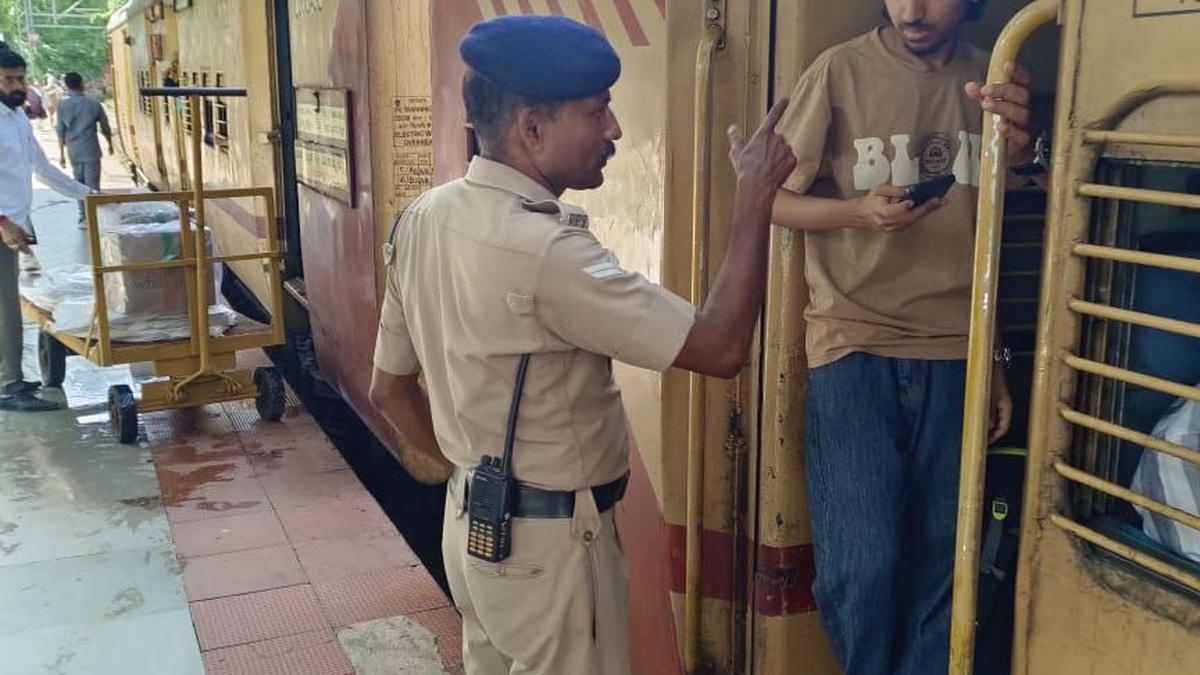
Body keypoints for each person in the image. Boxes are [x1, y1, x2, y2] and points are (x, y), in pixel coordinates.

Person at [368, 15, 796, 675]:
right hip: (554, 553)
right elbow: (719, 346)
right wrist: (755, 199)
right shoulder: (548, 254)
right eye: (597, 113)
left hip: (472, 528)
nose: (614, 131)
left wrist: (476, 476)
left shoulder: (424, 219)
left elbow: (389, 389)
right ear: (531, 128)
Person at [769, 1, 1042, 673]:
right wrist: (857, 210)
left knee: (945, 567)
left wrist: (996, 357)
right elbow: (769, 199)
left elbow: (993, 234)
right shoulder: (840, 70)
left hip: (959, 353)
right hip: (853, 345)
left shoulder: (996, 80)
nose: (912, 10)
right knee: (861, 565)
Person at [0, 47, 94, 411]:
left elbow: (43, 169)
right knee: (5, 307)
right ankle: (9, 388)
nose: (17, 86)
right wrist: (4, 223)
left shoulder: (17, 119)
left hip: (15, 225)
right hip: (4, 226)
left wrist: (91, 196)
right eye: (8, 80)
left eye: (21, 78)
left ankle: (12, 380)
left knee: (10, 303)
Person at [56, 72, 113, 223]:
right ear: (81, 84)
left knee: (78, 183)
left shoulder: (62, 105)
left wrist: (61, 154)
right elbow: (105, 126)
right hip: (91, 149)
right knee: (92, 184)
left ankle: (83, 216)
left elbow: (60, 130)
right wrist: (110, 143)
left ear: (67, 86)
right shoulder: (94, 104)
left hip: (73, 151)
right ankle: (92, 217)